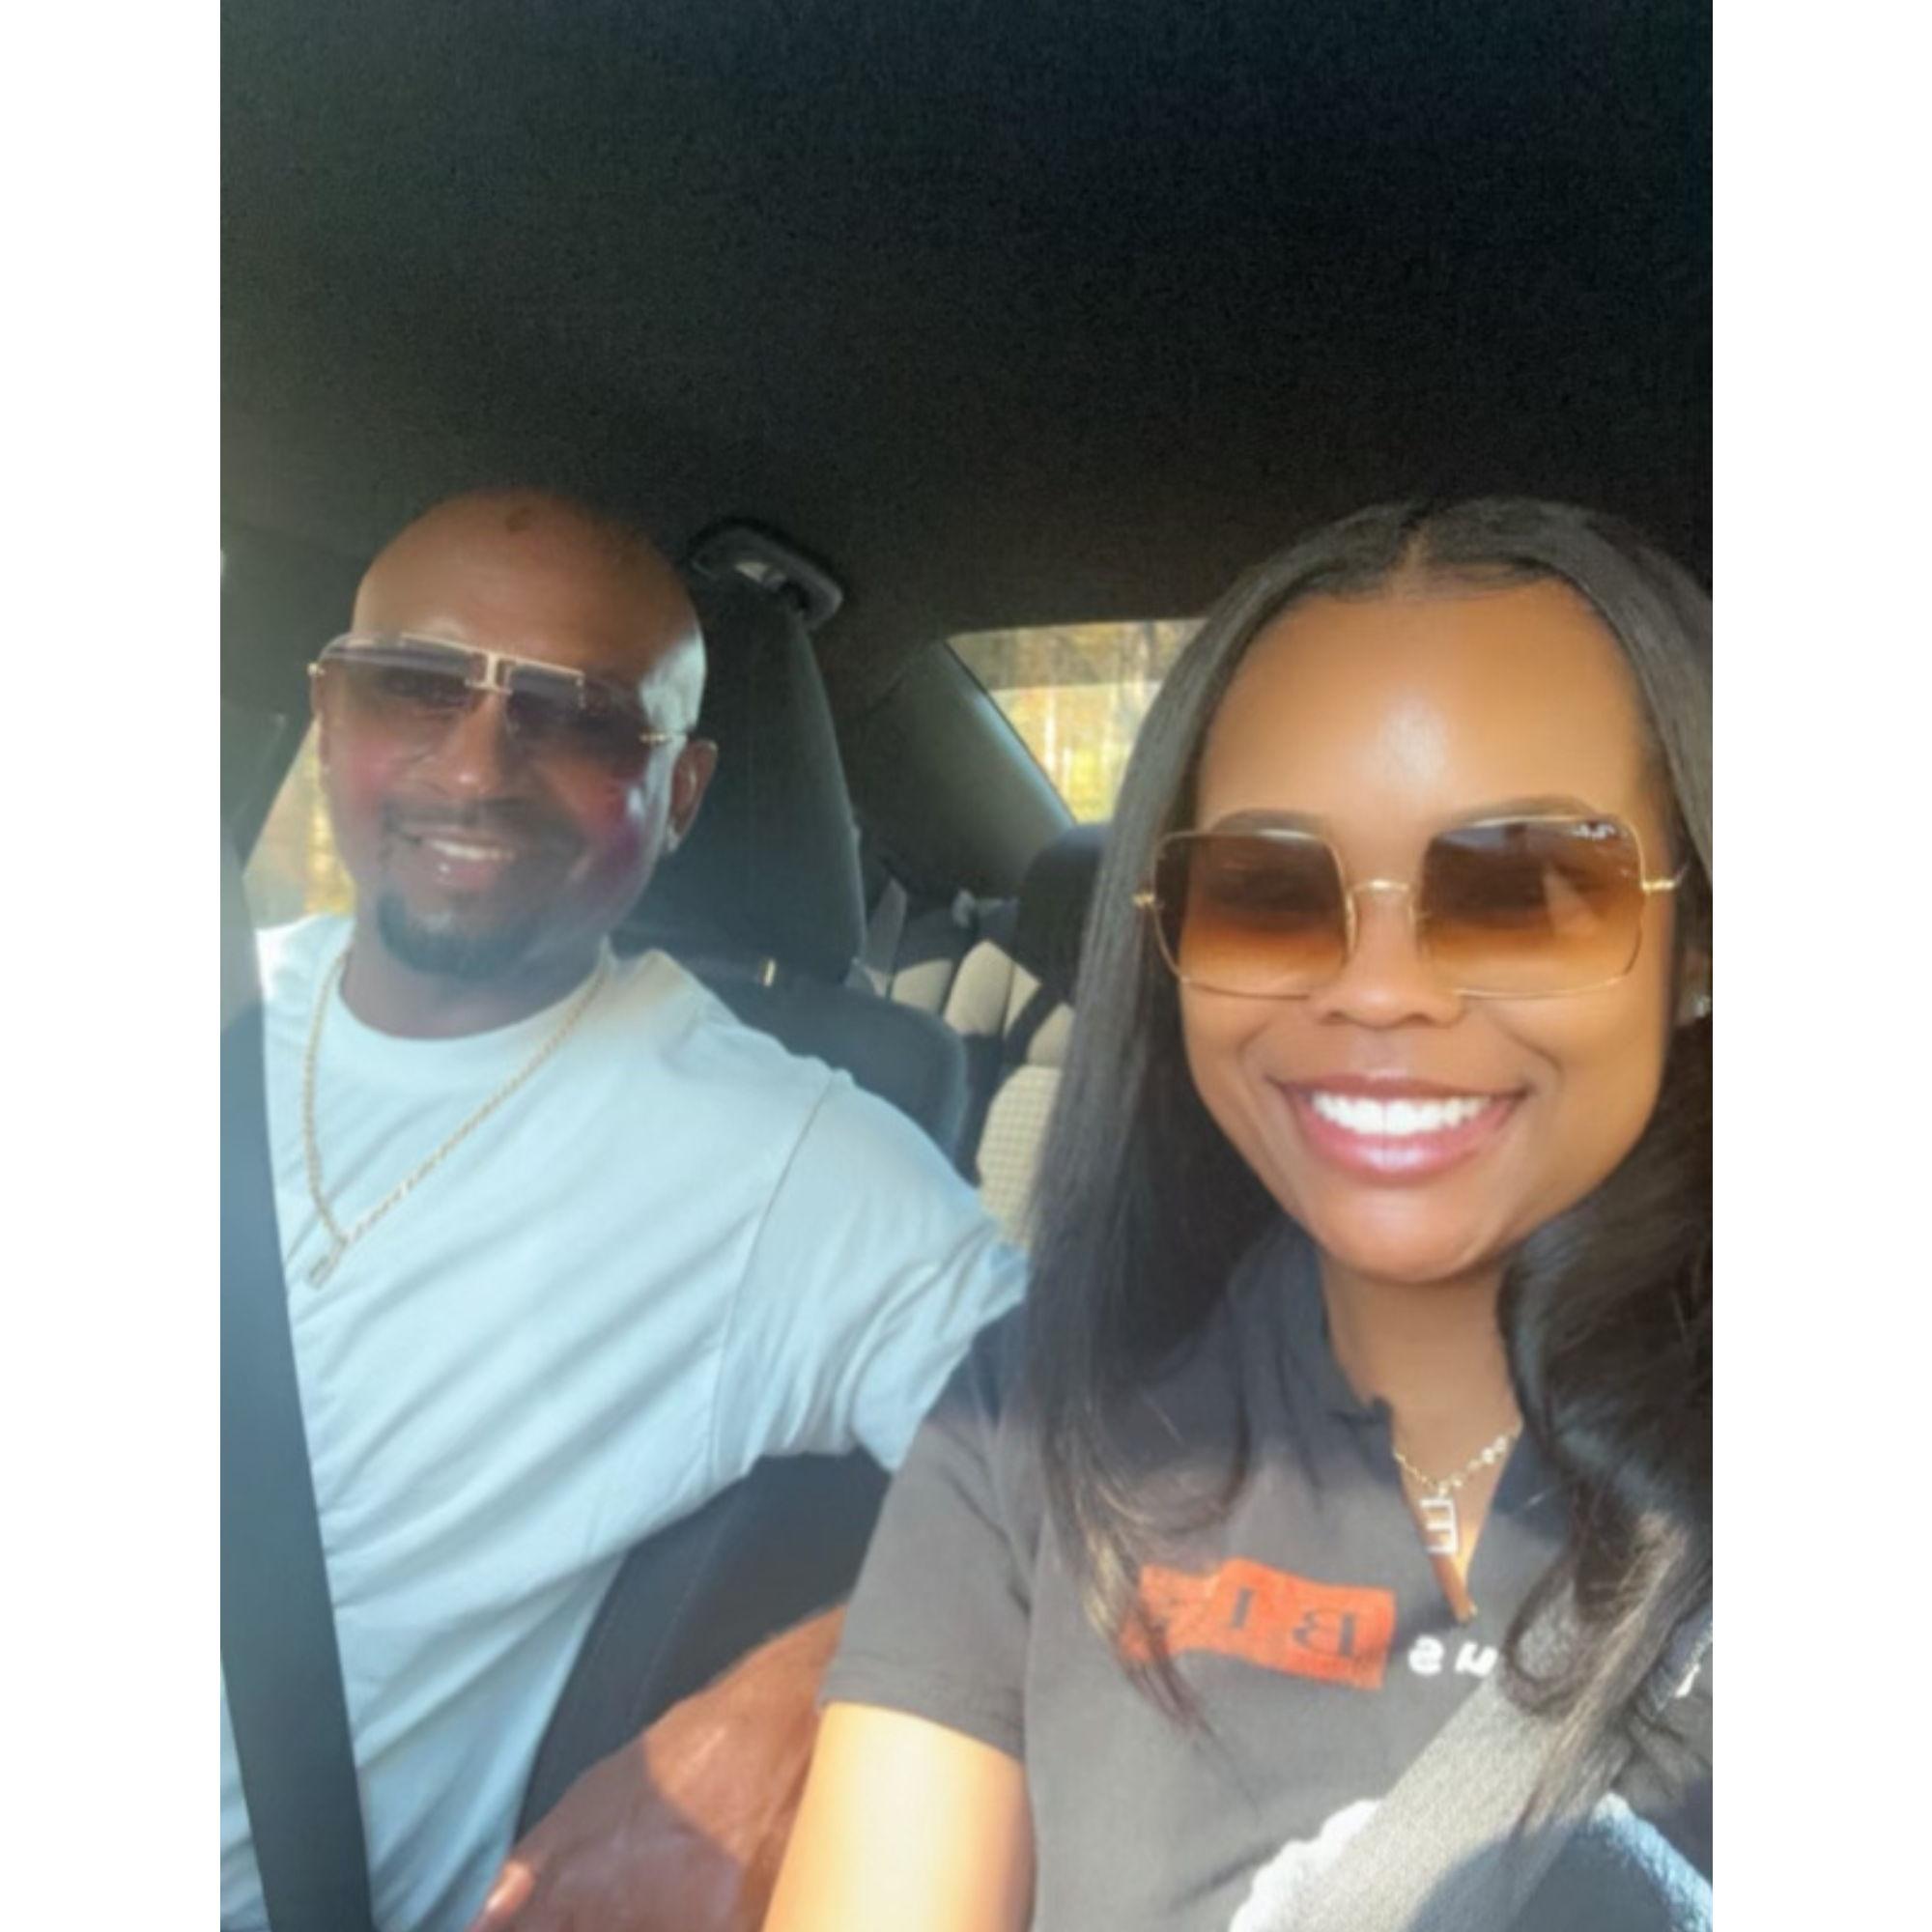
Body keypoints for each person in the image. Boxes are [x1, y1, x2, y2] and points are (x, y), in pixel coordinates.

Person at [765, 497, 1714, 1931]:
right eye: (1268, 893)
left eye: (1522, 888)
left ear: (1698, 945)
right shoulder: (1029, 1424)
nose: (1379, 990)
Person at [220, 488, 1025, 1932]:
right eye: (415, 686)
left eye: (579, 719)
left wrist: (811, 1702)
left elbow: (1128, 1497)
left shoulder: (792, 1165)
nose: (477, 768)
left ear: (684, 792)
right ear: (329, 717)